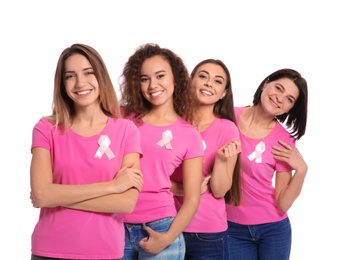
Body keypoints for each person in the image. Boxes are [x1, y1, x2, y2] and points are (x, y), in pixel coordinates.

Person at [29, 43, 143, 260]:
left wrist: (56, 196)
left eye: (88, 72)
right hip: (50, 250)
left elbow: (126, 203)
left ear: (100, 76)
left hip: (104, 251)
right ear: (62, 84)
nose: (81, 83)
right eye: (70, 76)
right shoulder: (46, 128)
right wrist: (112, 187)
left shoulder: (126, 130)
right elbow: (42, 194)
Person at [119, 43, 204, 259]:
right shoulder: (122, 118)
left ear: (175, 78)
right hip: (115, 223)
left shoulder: (189, 134)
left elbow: (192, 198)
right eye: (144, 78)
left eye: (160, 76)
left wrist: (167, 238)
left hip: (161, 227)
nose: (152, 85)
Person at [226, 68, 308, 260]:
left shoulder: (283, 139)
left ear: (290, 108)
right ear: (265, 84)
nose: (280, 98)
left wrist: (302, 171)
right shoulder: (228, 117)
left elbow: (283, 203)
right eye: (278, 88)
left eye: (289, 99)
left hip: (273, 230)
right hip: (231, 227)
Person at [170, 59, 242, 260]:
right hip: (166, 224)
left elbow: (219, 190)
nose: (209, 83)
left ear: (224, 93)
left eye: (218, 81)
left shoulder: (227, 129)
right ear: (190, 81)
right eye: (203, 76)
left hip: (207, 233)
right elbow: (152, 174)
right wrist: (182, 189)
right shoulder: (170, 122)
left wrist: (221, 161)